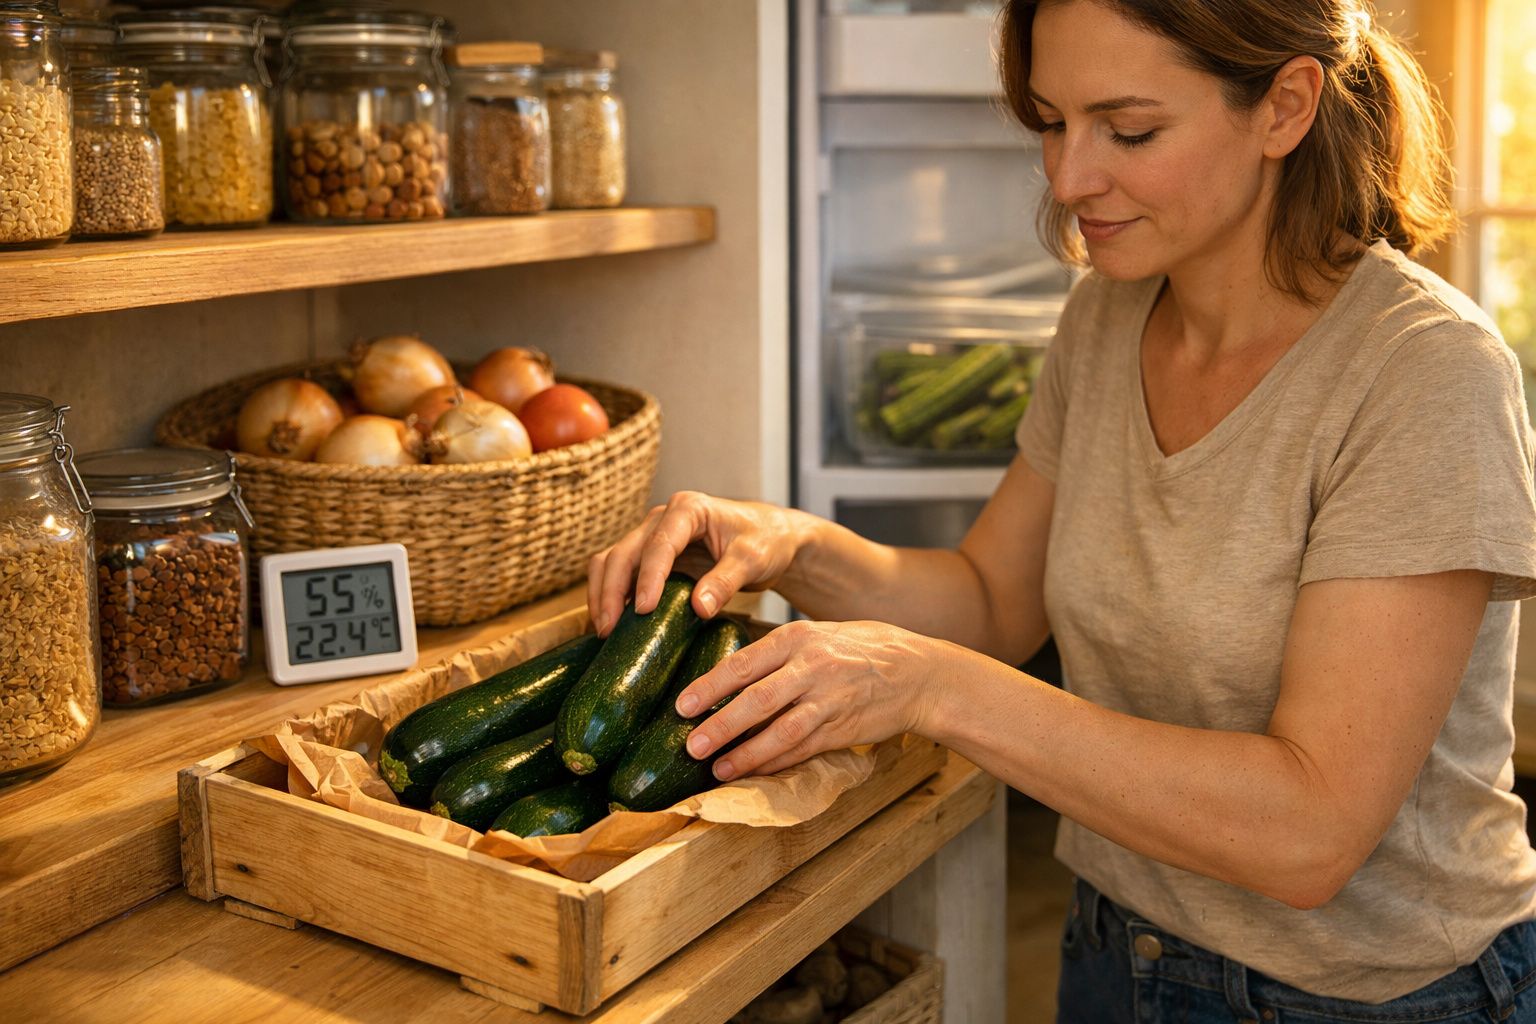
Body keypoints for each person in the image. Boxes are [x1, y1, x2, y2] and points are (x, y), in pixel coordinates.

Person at [588, 0, 1536, 1019]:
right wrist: (790, 546)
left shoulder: (1424, 373)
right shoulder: (1109, 313)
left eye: (1129, 130)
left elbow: (1309, 831)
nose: (1069, 177)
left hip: (1378, 996)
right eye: (1051, 121)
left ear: (1285, 107)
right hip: (1116, 947)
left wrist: (931, 687)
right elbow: (994, 598)